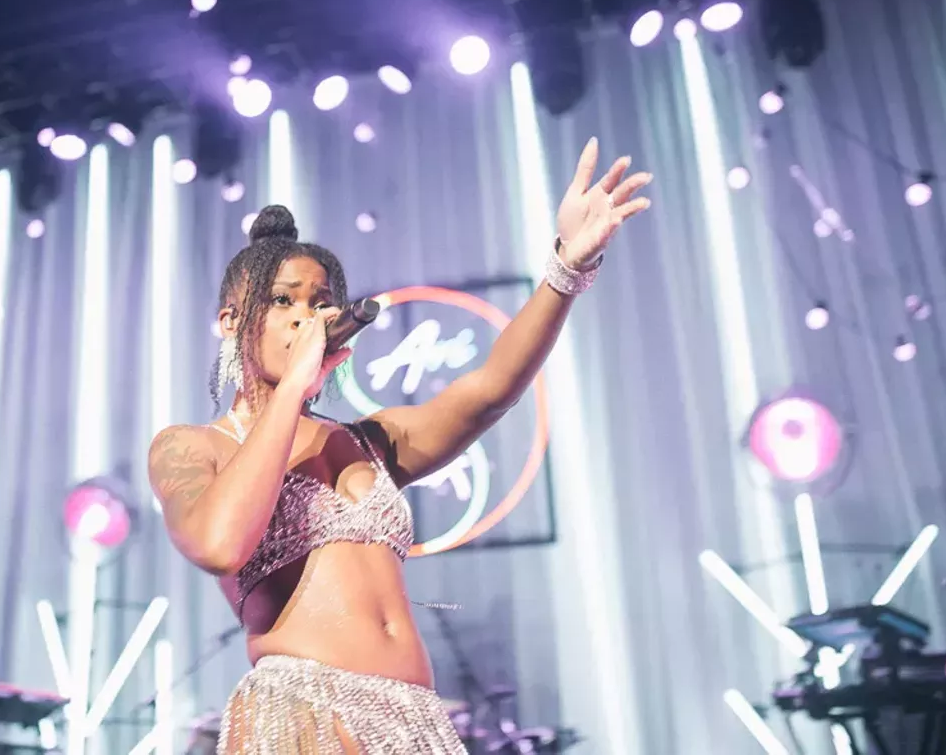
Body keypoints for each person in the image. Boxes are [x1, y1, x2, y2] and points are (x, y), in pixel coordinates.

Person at [147, 139, 652, 753]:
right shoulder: (192, 446)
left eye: (320, 301)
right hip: (304, 711)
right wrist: (293, 388)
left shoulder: (368, 442)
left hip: (412, 718)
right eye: (283, 301)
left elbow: (490, 391)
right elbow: (220, 543)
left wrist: (566, 269)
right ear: (231, 321)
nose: (306, 316)